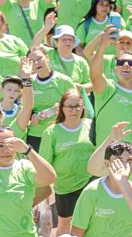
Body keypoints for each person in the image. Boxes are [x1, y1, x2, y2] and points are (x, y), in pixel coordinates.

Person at [38, 89, 94, 235]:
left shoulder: (91, 125)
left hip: (91, 183)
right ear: (62, 108)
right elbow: (44, 165)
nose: (74, 110)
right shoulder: (52, 132)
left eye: (78, 106)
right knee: (65, 224)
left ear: (83, 107)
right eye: (69, 106)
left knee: (90, 221)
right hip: (65, 187)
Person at [72, 140, 132, 236]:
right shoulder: (91, 191)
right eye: (119, 160)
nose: (125, 165)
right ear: (107, 163)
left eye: (130, 160)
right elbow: (76, 233)